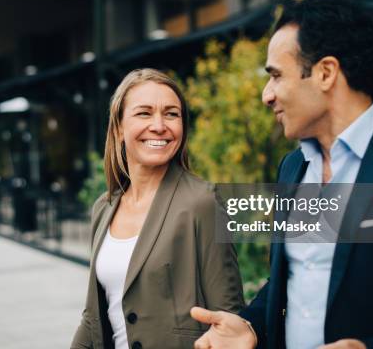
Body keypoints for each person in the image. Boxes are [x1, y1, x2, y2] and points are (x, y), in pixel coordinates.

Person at [191, 0, 373, 349]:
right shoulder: (292, 169)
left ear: (325, 72)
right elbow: (296, 279)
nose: (266, 95)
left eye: (276, 75)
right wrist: (252, 326)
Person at [71, 68, 244, 349]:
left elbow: (228, 318)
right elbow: (93, 318)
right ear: (118, 129)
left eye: (172, 114)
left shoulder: (202, 202)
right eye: (144, 113)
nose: (159, 125)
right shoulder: (104, 208)